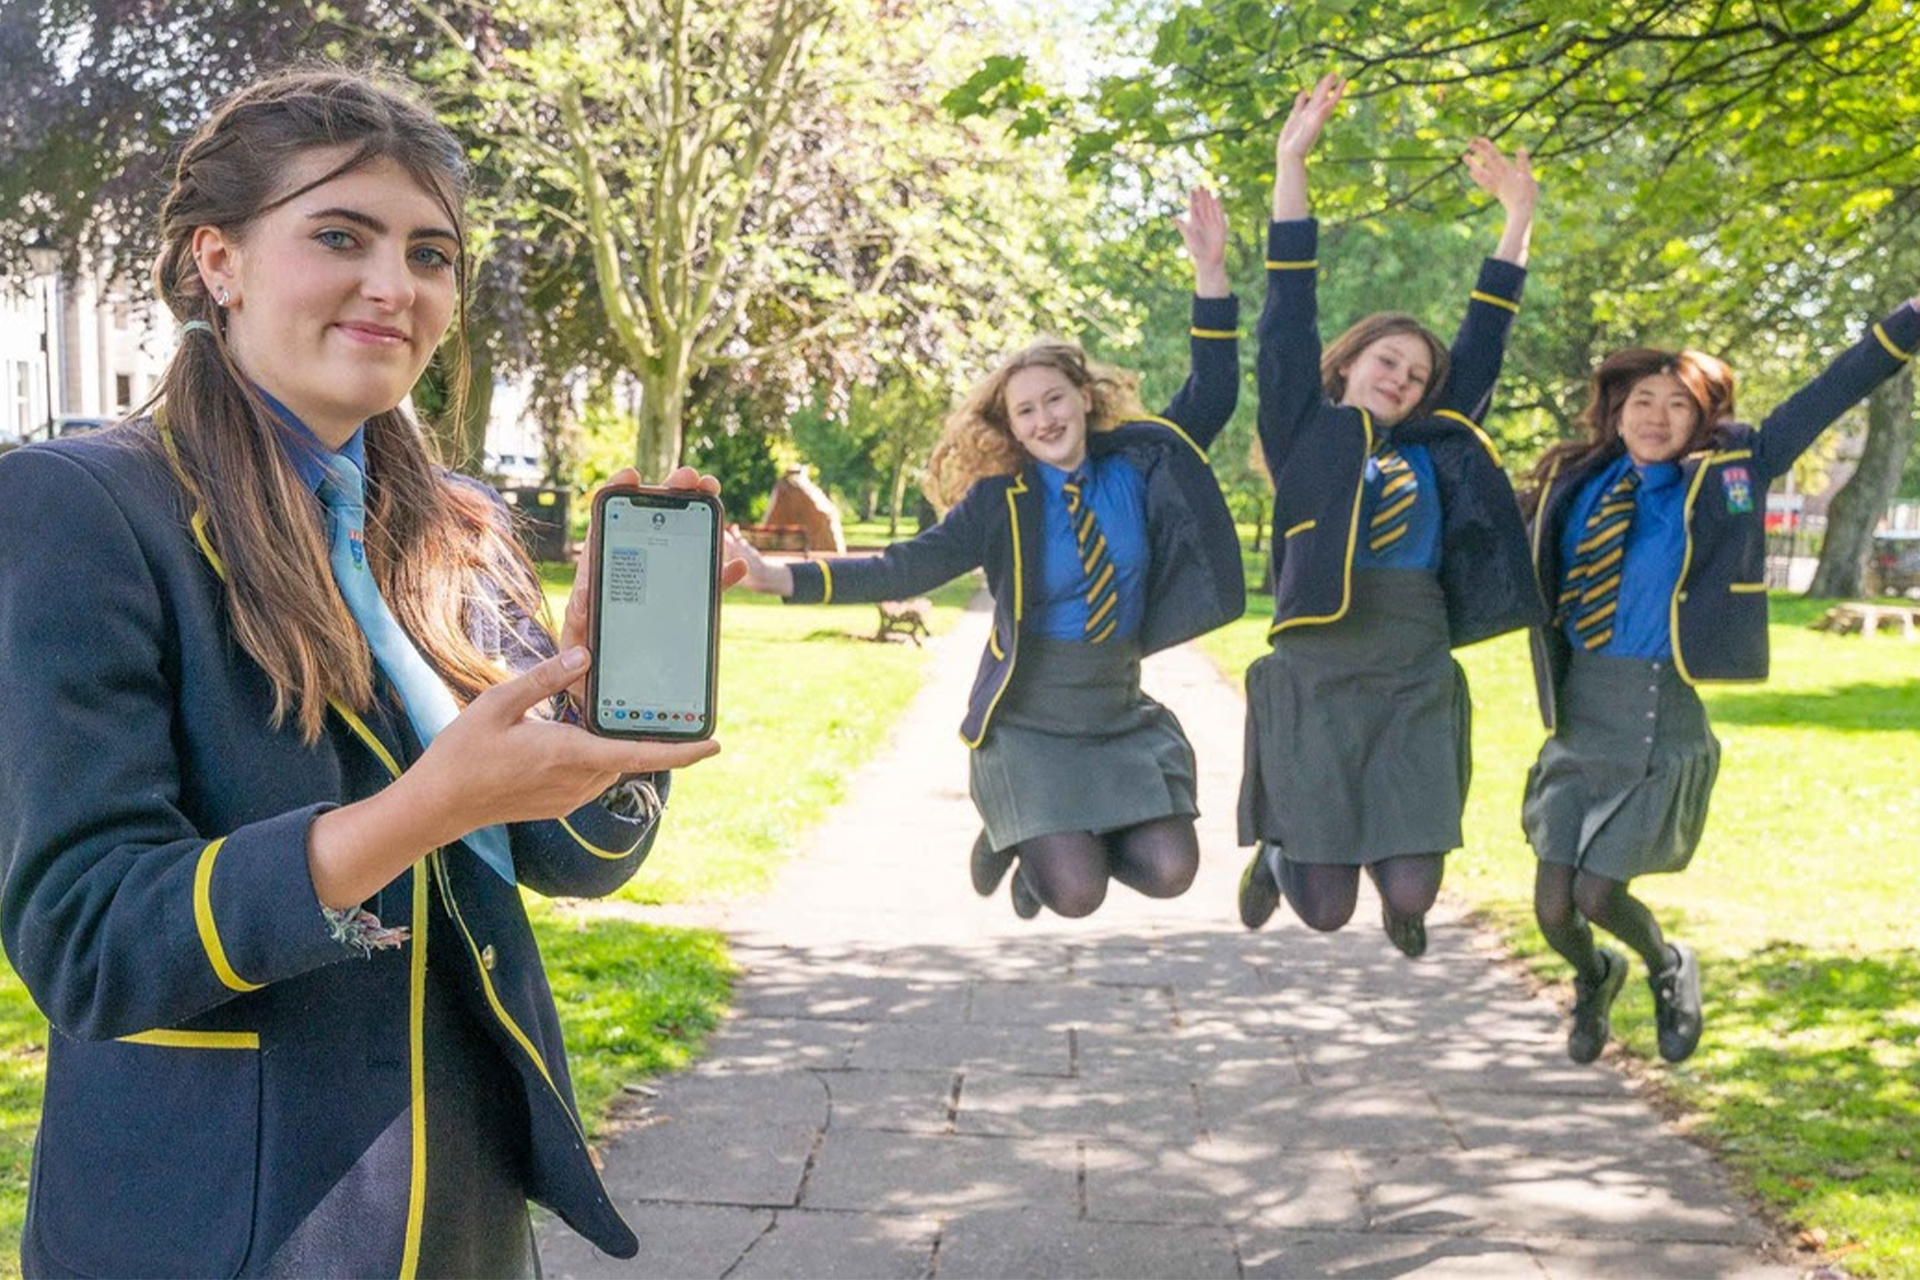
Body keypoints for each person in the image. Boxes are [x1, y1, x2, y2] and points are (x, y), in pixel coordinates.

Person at [0, 69, 739, 1276]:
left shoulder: (458, 524)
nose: (395, 286)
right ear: (219, 262)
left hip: (462, 1203)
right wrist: (422, 808)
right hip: (222, 1223)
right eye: (339, 236)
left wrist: (602, 685)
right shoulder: (81, 507)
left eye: (431, 254)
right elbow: (87, 935)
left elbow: (577, 856)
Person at [725, 188, 1243, 920]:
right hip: (1031, 719)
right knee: (1076, 895)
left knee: (1170, 872)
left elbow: (1215, 394)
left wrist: (1211, 275)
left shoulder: (1143, 465)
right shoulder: (1002, 502)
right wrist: (779, 576)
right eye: (1026, 410)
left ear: (1085, 398)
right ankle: (1026, 839)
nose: (1045, 418)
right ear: (1011, 426)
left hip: (1115, 708)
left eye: (1055, 399)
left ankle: (1035, 833)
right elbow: (900, 568)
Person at [1522, 296, 1919, 1065]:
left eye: (1680, 405)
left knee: (1599, 894)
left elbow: (1834, 388)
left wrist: (1907, 320)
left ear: (1705, 421)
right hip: (1579, 718)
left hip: (1658, 716)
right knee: (1554, 911)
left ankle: (1668, 968)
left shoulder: (1731, 477)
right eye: (1644, 401)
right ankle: (1596, 974)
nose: (1658, 416)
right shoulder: (1576, 485)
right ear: (1617, 409)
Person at [1235, 75, 1543, 956]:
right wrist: (1292, 164)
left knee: (1413, 887)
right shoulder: (1306, 429)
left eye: (1416, 373)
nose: (1402, 378)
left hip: (1412, 668)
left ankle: (1391, 884)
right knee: (1326, 911)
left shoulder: (1439, 444)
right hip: (1321, 668)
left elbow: (1485, 337)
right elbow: (1285, 316)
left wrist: (1515, 223)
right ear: (1348, 365)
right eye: (1388, 360)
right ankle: (1282, 844)